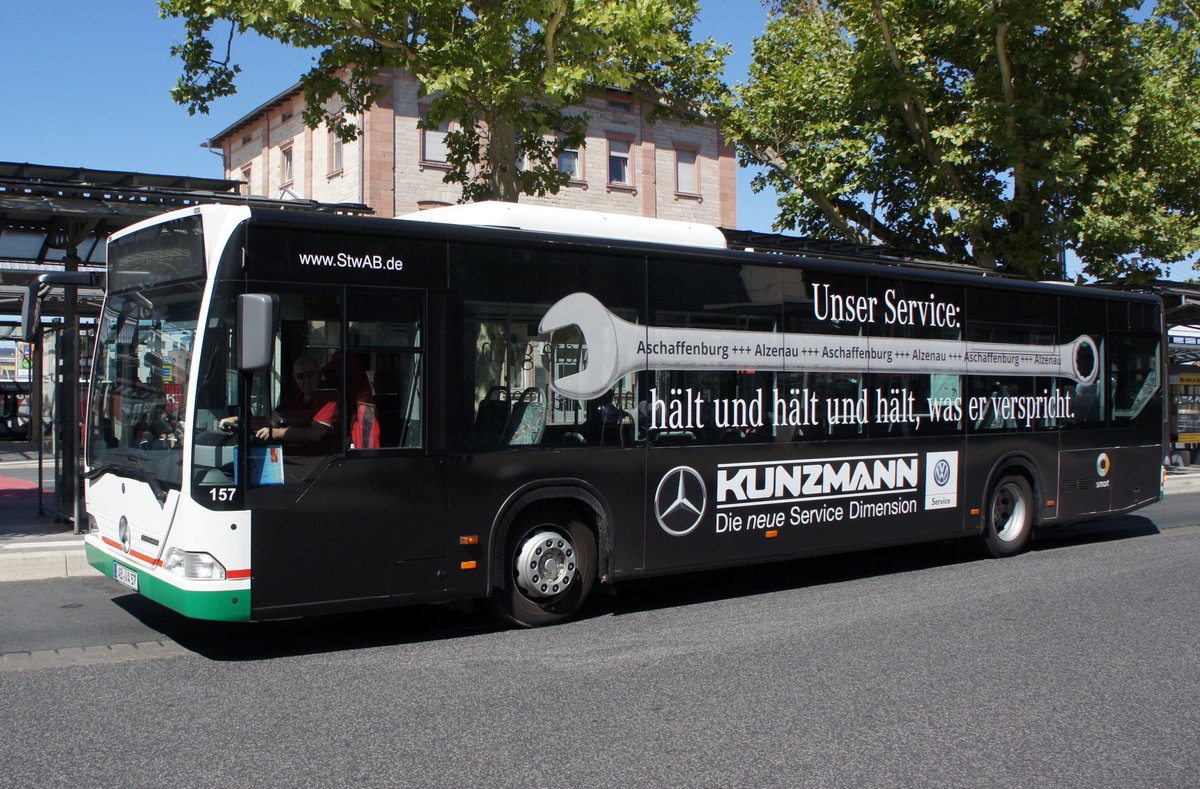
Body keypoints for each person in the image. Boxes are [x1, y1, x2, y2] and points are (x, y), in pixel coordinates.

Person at [220, 355, 339, 454]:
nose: (306, 380)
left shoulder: (330, 397)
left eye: (311, 375)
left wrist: (276, 433)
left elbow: (315, 434)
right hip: (293, 456)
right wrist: (239, 420)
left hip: (319, 461)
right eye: (301, 376)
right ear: (294, 378)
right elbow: (271, 421)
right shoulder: (294, 396)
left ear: (320, 373)